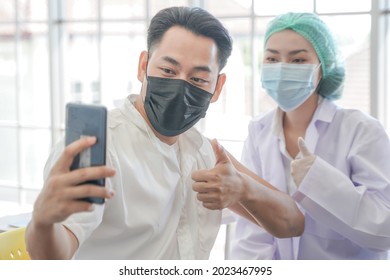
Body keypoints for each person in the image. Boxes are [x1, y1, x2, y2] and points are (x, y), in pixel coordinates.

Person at [26, 6, 303, 260]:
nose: (180, 87)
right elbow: (52, 257)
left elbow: (293, 222)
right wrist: (43, 221)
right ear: (143, 66)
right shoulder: (101, 149)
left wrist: (243, 189)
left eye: (197, 79)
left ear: (217, 88)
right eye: (168, 70)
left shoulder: (204, 151)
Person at [228, 12, 390, 260]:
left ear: (323, 68)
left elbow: (384, 230)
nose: (282, 68)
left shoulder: (361, 130)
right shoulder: (258, 131)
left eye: (297, 60)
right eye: (272, 58)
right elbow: (253, 229)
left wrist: (321, 182)